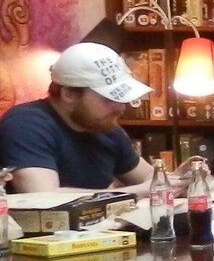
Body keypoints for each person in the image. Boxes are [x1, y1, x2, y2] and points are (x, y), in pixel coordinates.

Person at [0, 42, 155, 192]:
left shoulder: (105, 128)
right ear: (68, 94)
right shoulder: (26, 124)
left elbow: (152, 179)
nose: (121, 107)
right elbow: (43, 197)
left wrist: (166, 183)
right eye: (109, 99)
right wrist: (133, 192)